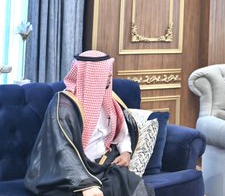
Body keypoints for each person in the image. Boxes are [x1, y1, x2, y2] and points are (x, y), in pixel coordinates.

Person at [25, 50, 153, 196]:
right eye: (105, 71)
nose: (110, 75)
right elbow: (62, 148)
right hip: (68, 173)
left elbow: (122, 133)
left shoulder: (109, 100)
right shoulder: (63, 105)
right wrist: (85, 184)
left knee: (138, 188)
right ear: (91, 75)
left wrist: (126, 152)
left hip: (102, 167)